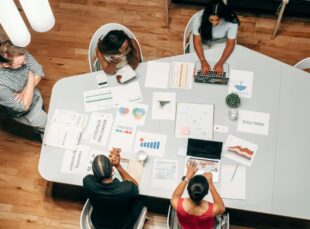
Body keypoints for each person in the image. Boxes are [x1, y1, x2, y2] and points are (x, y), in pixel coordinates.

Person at [83, 148, 144, 229]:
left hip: (99, 224)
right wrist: (118, 165)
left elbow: (94, 175)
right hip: (123, 226)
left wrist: (104, 167)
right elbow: (135, 185)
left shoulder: (87, 182)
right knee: (140, 199)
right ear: (112, 169)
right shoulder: (125, 189)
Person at [0, 40, 47, 136]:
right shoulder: (1, 87)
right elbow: (23, 106)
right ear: (5, 65)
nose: (25, 62)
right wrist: (30, 75)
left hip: (35, 95)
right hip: (29, 113)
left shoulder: (19, 53)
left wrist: (25, 91)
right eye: (20, 64)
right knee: (49, 129)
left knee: (44, 125)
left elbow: (39, 71)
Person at [171, 161, 225, 229]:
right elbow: (222, 208)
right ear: (206, 193)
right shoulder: (212, 210)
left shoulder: (176, 203)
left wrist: (187, 178)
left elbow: (175, 196)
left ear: (187, 189)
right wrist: (211, 185)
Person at [193, 0, 239, 74]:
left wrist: (220, 63)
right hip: (203, 41)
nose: (214, 23)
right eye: (211, 20)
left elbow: (230, 43)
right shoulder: (198, 18)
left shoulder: (232, 21)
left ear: (223, 16)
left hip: (220, 42)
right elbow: (196, 41)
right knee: (197, 65)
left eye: (217, 19)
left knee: (218, 65)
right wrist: (203, 61)